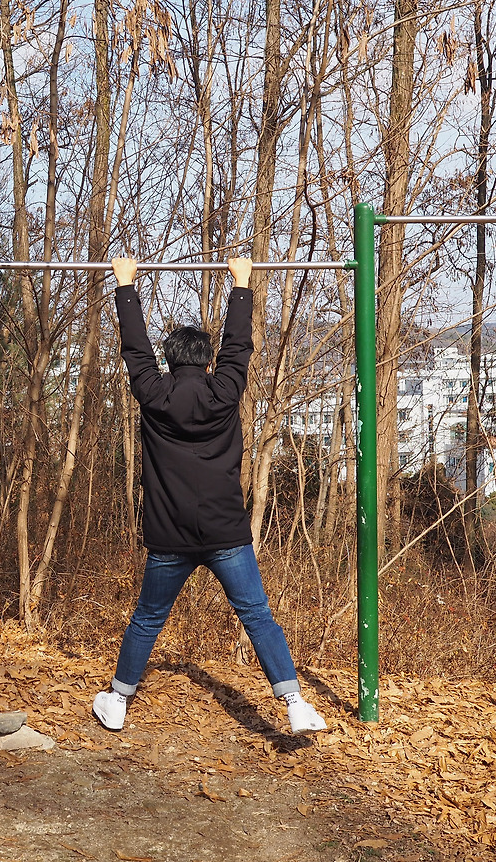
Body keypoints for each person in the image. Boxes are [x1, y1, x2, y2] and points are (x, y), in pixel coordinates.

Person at [92, 256, 327, 736]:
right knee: (257, 615)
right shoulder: (224, 392)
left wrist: (126, 286)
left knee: (148, 618)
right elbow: (238, 347)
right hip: (226, 533)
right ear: (206, 361)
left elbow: (135, 349)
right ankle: (295, 702)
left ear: (170, 360)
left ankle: (117, 700)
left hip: (170, 536)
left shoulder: (154, 395)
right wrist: (241, 284)